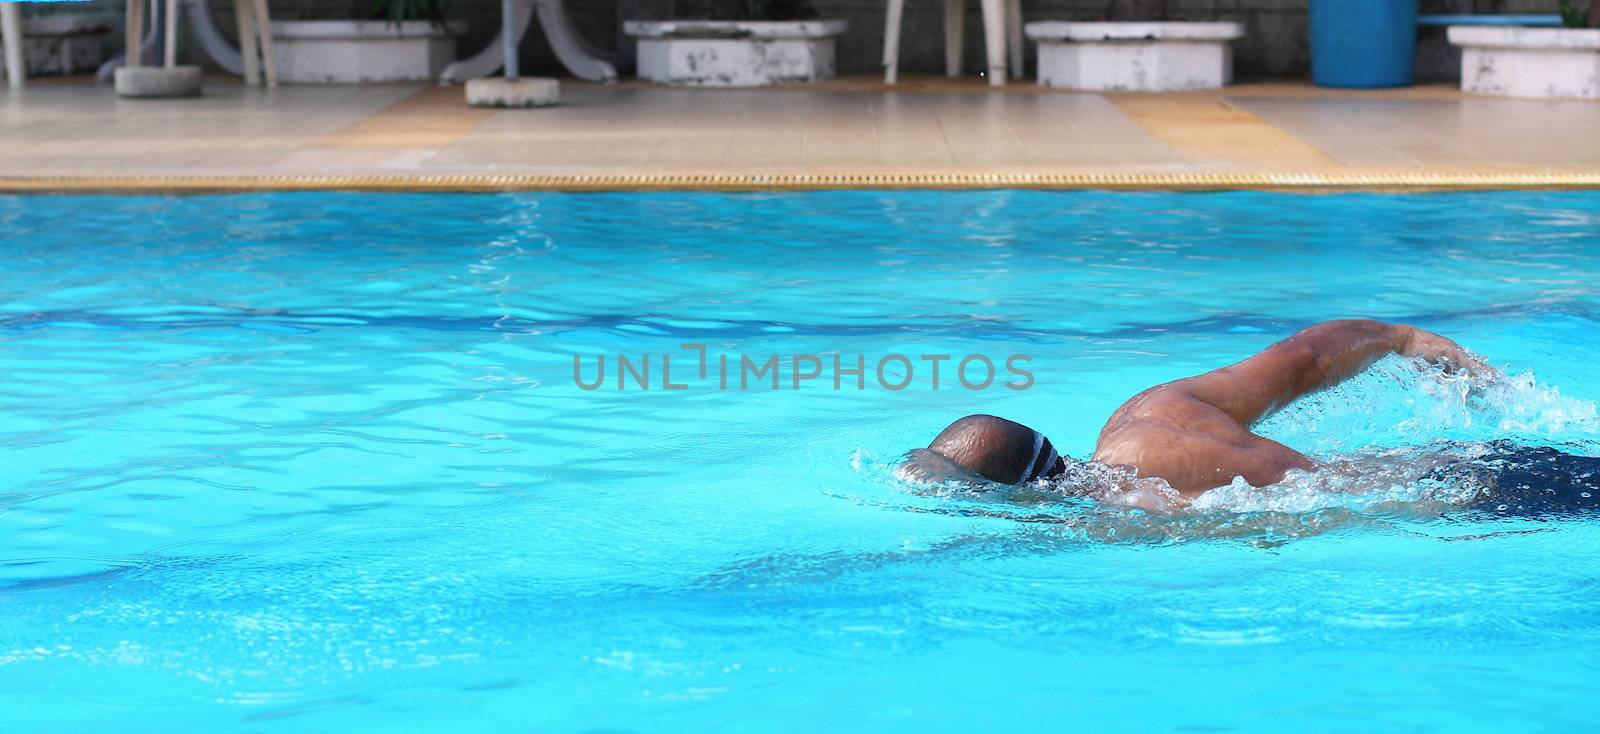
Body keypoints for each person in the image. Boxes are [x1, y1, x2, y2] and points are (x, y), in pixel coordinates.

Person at [905, 319, 1562, 504]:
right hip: (1468, 464)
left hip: (1476, 498)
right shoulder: (1143, 412)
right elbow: (1301, 355)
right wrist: (1402, 338)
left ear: (1023, 499)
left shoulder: (1131, 510)